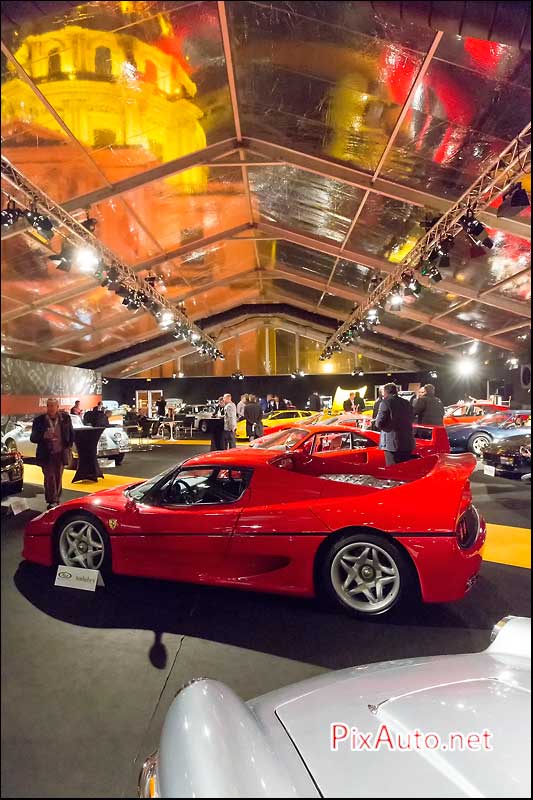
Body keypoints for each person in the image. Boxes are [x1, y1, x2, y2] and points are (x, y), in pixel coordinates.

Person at [30, 398, 74, 509]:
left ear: (57, 407)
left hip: (60, 453)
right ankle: (52, 500)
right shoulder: (39, 420)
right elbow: (33, 438)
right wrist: (44, 435)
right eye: (49, 405)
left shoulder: (65, 418)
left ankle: (56, 499)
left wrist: (69, 446)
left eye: (53, 406)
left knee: (58, 477)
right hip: (46, 454)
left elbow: (71, 433)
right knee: (49, 477)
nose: (51, 408)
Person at [375, 383, 415, 466]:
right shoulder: (406, 402)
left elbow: (378, 423)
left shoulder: (385, 403)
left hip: (391, 444)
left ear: (385, 392)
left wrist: (387, 427)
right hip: (407, 442)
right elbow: (412, 418)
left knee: (393, 471)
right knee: (405, 468)